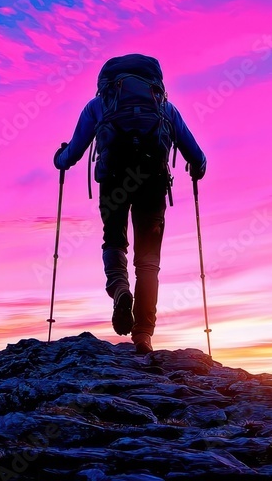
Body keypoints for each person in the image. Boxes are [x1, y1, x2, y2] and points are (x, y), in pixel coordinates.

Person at [53, 54, 206, 355]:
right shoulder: (164, 107)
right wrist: (196, 166)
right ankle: (143, 335)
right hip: (153, 184)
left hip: (114, 182)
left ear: (106, 81)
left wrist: (58, 158)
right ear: (156, 81)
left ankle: (120, 289)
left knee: (114, 242)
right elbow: (197, 155)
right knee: (148, 261)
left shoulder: (98, 105)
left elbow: (72, 155)